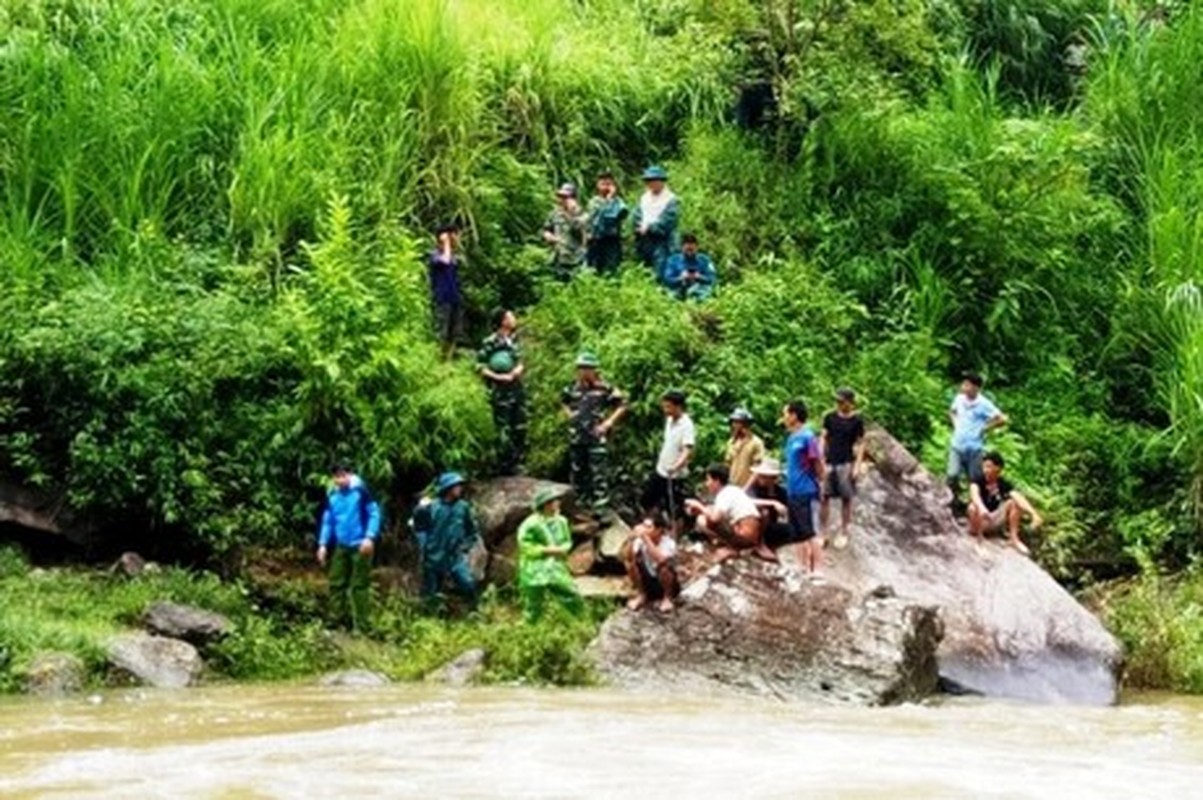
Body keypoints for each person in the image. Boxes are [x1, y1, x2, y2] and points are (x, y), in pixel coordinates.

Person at [316, 464, 382, 632]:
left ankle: (363, 626)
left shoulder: (361, 491)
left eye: (343, 475)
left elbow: (374, 513)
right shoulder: (332, 495)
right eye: (336, 476)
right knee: (336, 581)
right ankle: (336, 619)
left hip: (361, 544)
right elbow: (328, 521)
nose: (340, 479)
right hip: (341, 545)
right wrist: (323, 544)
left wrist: (370, 537)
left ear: (350, 475)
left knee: (359, 585)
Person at [561, 352, 628, 518]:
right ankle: (579, 505)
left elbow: (623, 404)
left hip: (596, 437)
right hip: (577, 436)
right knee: (578, 471)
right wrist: (569, 414)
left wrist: (609, 423)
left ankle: (601, 508)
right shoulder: (571, 388)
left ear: (594, 370)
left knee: (598, 473)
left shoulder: (604, 388)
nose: (584, 371)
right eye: (581, 368)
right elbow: (563, 401)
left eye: (587, 368)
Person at [518, 485, 584, 622]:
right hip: (534, 567)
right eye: (553, 501)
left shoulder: (562, 521)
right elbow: (525, 544)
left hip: (555, 565)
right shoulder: (530, 524)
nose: (557, 503)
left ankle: (580, 619)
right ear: (545, 504)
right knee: (533, 599)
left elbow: (567, 541)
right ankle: (530, 624)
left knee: (570, 592)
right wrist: (546, 550)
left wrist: (563, 549)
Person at [685, 464, 776, 563]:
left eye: (708, 480)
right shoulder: (734, 490)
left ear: (717, 481)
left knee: (702, 520)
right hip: (752, 534)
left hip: (745, 537)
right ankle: (741, 545)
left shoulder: (724, 494)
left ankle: (732, 547)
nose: (706, 484)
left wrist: (698, 506)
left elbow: (714, 519)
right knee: (710, 510)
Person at [477, 309, 527, 475]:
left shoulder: (514, 341)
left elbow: (520, 361)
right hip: (498, 391)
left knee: (519, 426)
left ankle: (517, 462)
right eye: (511, 316)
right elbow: (480, 367)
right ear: (503, 321)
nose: (514, 319)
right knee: (502, 427)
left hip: (516, 389)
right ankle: (502, 464)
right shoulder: (490, 341)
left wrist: (516, 371)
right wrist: (498, 377)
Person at [947, 373, 1007, 509]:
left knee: (974, 479)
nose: (963, 387)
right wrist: (956, 424)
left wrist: (984, 429)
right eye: (964, 384)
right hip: (957, 445)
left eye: (967, 385)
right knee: (952, 474)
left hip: (974, 448)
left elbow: (1002, 419)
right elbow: (952, 411)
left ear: (976, 388)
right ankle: (953, 501)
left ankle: (974, 506)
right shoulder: (959, 398)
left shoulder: (984, 404)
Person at [421, 472, 479, 610]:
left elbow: (471, 531)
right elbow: (420, 529)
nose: (460, 488)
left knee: (468, 583)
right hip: (434, 555)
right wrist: (425, 549)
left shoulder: (463, 507)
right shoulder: (432, 507)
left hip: (455, 556)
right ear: (448, 488)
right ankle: (433, 619)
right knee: (432, 591)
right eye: (456, 486)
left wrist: (465, 547)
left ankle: (474, 613)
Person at [640, 389, 695, 534]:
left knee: (675, 508)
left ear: (679, 406)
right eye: (664, 406)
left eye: (668, 406)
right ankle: (651, 526)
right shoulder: (670, 420)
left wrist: (676, 466)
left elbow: (687, 450)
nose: (665, 410)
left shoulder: (687, 425)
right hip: (661, 470)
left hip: (675, 475)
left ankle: (675, 535)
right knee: (647, 498)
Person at [968, 452, 1042, 556]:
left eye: (989, 467)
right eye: (984, 466)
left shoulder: (1002, 483)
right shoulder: (977, 479)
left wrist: (1033, 514)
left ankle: (1014, 539)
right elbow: (974, 494)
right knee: (973, 507)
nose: (985, 470)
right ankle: (979, 543)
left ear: (997, 469)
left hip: (993, 519)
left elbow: (1017, 496)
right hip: (978, 522)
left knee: (1014, 502)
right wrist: (982, 508)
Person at [820, 387, 867, 550]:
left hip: (847, 462)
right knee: (824, 497)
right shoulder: (829, 417)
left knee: (846, 498)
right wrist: (821, 458)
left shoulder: (857, 421)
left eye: (842, 401)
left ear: (850, 402)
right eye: (837, 401)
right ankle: (823, 532)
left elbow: (861, 443)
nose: (838, 404)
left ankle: (844, 531)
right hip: (829, 461)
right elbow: (824, 437)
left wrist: (858, 466)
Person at [782, 400, 825, 574]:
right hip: (792, 489)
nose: (784, 418)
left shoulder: (808, 437)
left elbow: (817, 462)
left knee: (810, 531)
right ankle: (802, 567)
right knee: (796, 532)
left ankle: (819, 569)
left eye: (786, 414)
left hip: (806, 489)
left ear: (794, 415)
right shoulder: (791, 437)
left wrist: (821, 484)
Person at [624, 512, 680, 613]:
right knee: (631, 564)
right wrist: (631, 539)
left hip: (666, 583)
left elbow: (661, 560)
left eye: (649, 527)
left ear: (659, 530)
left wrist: (646, 538)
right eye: (643, 526)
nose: (644, 529)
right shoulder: (640, 541)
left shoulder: (669, 543)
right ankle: (642, 595)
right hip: (648, 581)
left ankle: (667, 598)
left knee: (663, 567)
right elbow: (628, 558)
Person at [631, 165, 680, 278]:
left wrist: (650, 227)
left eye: (654, 180)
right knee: (644, 269)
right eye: (648, 180)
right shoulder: (644, 198)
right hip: (644, 240)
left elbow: (668, 221)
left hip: (662, 241)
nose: (650, 183)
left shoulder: (671, 200)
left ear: (662, 181)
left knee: (660, 270)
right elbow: (636, 215)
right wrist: (638, 227)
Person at [427, 221, 464, 360]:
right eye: (455, 234)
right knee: (440, 333)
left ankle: (447, 362)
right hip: (441, 299)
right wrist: (446, 243)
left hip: (454, 298)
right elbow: (445, 261)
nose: (458, 238)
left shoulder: (454, 257)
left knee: (454, 333)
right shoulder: (434, 255)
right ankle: (436, 360)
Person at [745, 458, 795, 550]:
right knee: (764, 512)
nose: (760, 478)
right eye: (760, 475)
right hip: (754, 527)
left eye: (764, 476)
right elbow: (747, 500)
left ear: (773, 478)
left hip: (771, 527)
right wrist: (773, 503)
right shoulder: (754, 489)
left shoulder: (780, 491)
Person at [543, 183, 588, 281]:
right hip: (558, 257)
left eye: (565, 197)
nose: (562, 200)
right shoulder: (554, 213)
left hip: (575, 259)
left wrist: (569, 214)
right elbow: (547, 228)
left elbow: (578, 229)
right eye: (560, 197)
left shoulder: (582, 214)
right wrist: (548, 236)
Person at [585, 171, 628, 273]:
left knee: (612, 268)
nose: (606, 187)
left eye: (608, 184)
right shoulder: (594, 201)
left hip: (612, 239)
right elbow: (599, 218)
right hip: (596, 239)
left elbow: (619, 214)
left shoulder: (618, 202)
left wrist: (611, 199)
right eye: (603, 184)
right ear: (598, 186)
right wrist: (608, 201)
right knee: (595, 268)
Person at [661, 233, 717, 300]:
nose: (689, 252)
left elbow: (713, 279)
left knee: (707, 293)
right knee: (669, 295)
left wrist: (699, 277)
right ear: (682, 247)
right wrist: (681, 278)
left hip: (699, 288)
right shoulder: (673, 260)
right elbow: (667, 279)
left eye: (692, 250)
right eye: (687, 249)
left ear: (697, 248)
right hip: (678, 288)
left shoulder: (705, 260)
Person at [724, 406, 765, 488]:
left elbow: (757, 468)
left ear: (745, 424)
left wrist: (746, 488)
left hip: (749, 488)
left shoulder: (756, 443)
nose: (734, 425)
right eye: (733, 422)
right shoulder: (731, 442)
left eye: (737, 422)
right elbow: (727, 465)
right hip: (732, 486)